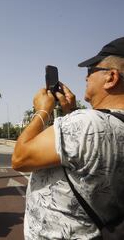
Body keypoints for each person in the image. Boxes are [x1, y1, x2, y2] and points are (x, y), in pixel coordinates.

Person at [12, 37, 124, 239]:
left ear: (111, 77)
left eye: (91, 71)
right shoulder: (94, 124)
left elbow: (20, 157)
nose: (86, 78)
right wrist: (70, 112)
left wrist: (43, 111)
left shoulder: (85, 123)